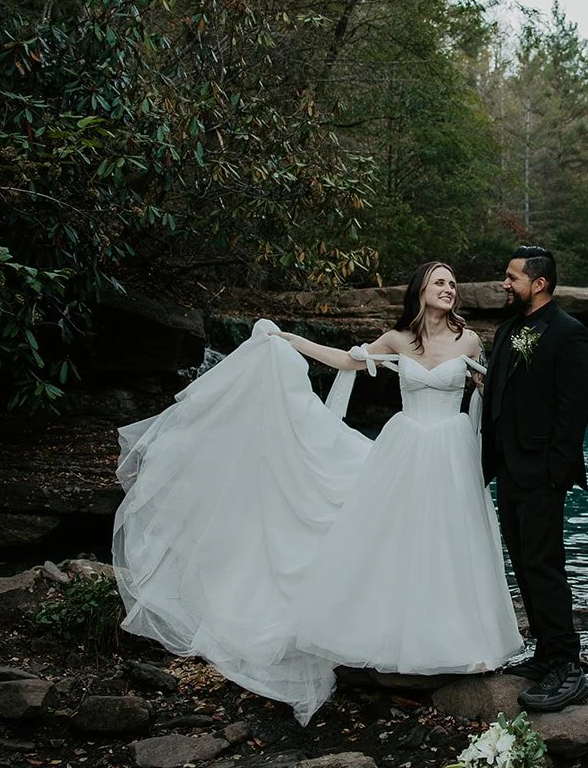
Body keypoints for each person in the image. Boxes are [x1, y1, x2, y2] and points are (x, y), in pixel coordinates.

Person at [112, 261, 521, 724]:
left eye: (452, 284)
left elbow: (487, 385)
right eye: (440, 282)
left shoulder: (468, 341)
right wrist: (291, 342)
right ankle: (389, 638)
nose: (449, 289)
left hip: (450, 447)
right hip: (405, 446)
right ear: (421, 290)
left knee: (453, 539)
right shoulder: (396, 341)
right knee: (396, 539)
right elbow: (347, 360)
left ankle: (466, 644)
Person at [482, 245, 588, 712]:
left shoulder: (569, 334)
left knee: (545, 564)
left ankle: (569, 668)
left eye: (512, 277)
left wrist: (555, 473)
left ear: (539, 283)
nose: (504, 284)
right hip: (507, 468)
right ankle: (545, 654)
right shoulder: (509, 329)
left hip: (542, 474)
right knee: (524, 563)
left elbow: (574, 413)